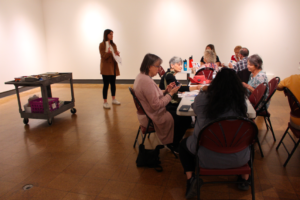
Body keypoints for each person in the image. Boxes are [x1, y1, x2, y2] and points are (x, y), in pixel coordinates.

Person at [178, 68, 250, 198]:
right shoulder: (240, 101)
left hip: (205, 155)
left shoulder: (203, 99)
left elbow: (194, 109)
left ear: (215, 83)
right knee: (249, 143)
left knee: (183, 145)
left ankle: (191, 180)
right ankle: (244, 179)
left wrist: (204, 90)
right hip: (239, 156)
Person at [134, 53, 187, 152]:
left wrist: (166, 91)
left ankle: (174, 140)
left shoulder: (141, 76)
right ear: (149, 66)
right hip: (154, 115)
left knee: (178, 110)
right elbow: (156, 105)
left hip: (149, 111)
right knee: (184, 116)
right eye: (157, 66)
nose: (159, 69)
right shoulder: (147, 81)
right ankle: (173, 143)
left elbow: (152, 94)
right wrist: (170, 94)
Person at [99, 29, 121, 109]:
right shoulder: (102, 45)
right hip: (106, 68)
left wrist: (116, 54)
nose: (112, 36)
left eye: (112, 34)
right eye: (110, 34)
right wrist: (108, 53)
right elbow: (103, 56)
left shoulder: (113, 45)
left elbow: (114, 56)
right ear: (106, 35)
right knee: (106, 85)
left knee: (113, 84)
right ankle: (105, 102)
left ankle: (113, 99)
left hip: (113, 67)